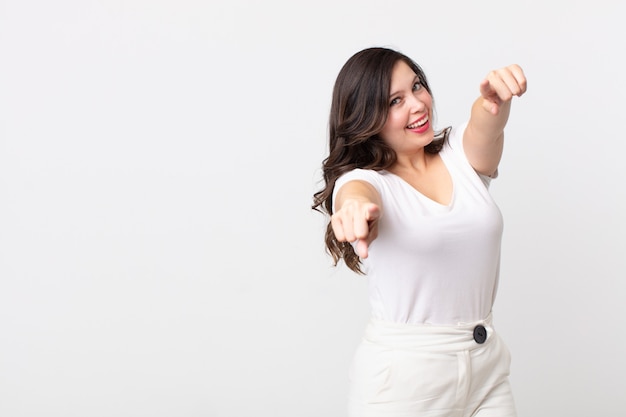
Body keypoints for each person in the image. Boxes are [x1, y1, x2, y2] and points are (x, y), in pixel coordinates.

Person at [312, 47, 527, 417]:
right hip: (405, 382)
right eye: (396, 100)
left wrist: (494, 101)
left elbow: (485, 124)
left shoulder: (460, 154)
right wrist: (352, 210)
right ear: (368, 118)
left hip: (487, 367)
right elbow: (354, 194)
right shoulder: (365, 181)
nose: (417, 104)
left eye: (417, 86)